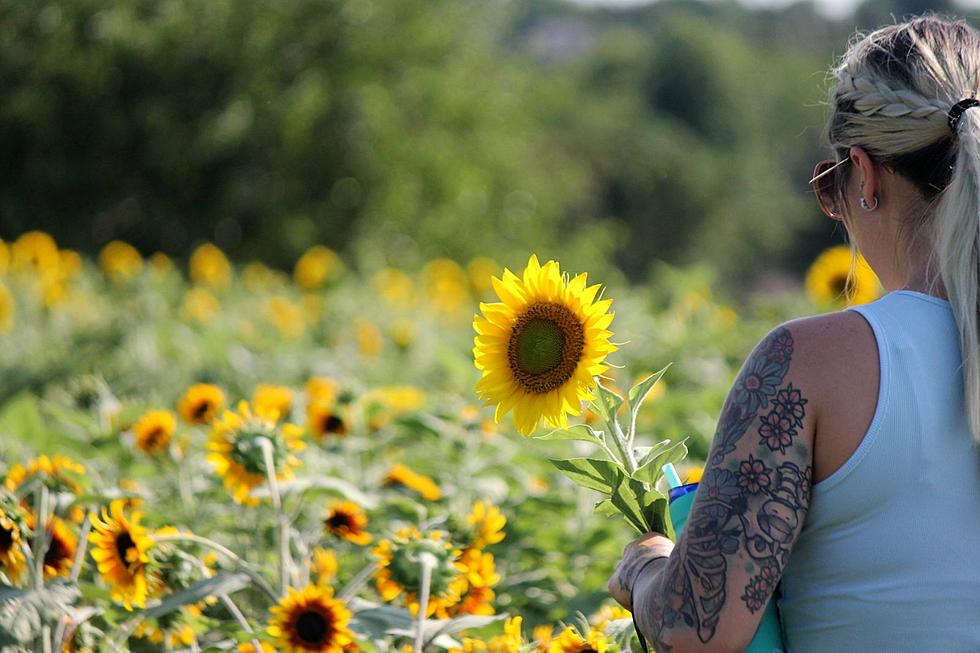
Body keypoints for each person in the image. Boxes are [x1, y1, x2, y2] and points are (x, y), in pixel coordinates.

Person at [606, 14, 980, 653]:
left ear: (864, 175)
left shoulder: (813, 362)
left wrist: (643, 567)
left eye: (832, 185)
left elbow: (699, 628)